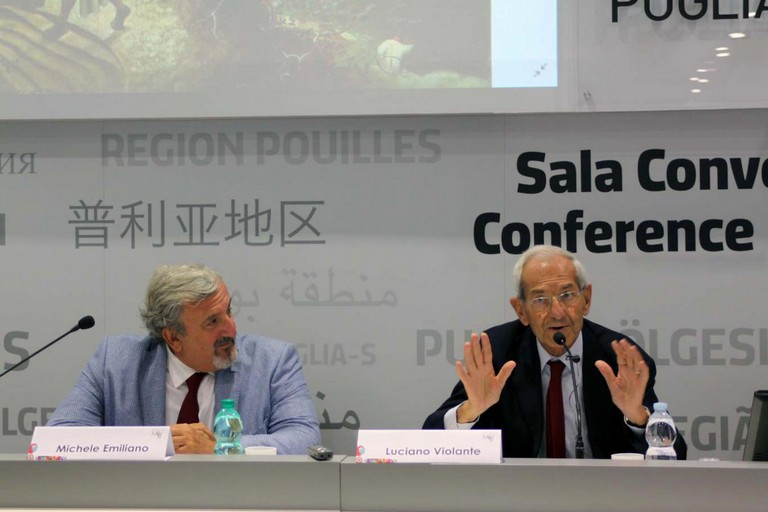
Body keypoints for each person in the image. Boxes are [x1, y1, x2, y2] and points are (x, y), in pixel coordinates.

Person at [423, 245, 687, 459]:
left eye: (567, 295)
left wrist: (638, 418)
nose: (557, 312)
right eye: (540, 300)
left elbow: (678, 455)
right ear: (521, 310)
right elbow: (429, 437)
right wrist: (471, 410)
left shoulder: (619, 359)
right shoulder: (497, 353)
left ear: (587, 300)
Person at [48, 263, 321, 455]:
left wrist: (222, 448)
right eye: (213, 321)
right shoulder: (116, 362)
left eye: (228, 312)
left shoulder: (273, 362)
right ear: (173, 338)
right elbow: (58, 438)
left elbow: (304, 439)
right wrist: (159, 443)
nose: (231, 329)